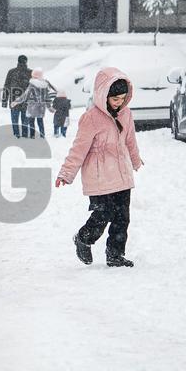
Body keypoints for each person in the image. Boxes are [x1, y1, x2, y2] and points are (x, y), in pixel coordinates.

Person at [55, 68, 143, 268]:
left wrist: (136, 161)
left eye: (122, 98)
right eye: (114, 99)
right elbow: (78, 149)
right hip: (99, 177)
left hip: (121, 175)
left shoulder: (126, 114)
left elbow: (130, 141)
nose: (119, 102)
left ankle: (115, 254)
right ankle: (84, 238)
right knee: (103, 215)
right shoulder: (91, 118)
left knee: (122, 218)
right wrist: (66, 174)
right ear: (103, 95)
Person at [9, 68, 54, 139]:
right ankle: (42, 135)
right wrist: (49, 107)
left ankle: (32, 135)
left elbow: (25, 96)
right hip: (41, 108)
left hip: (32, 107)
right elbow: (47, 98)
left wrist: (16, 102)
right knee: (40, 121)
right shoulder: (44, 86)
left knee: (31, 122)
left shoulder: (32, 85)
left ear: (34, 76)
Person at [1, 55, 32, 139]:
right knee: (25, 120)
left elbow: (6, 87)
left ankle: (16, 135)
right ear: (26, 62)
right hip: (26, 101)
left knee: (14, 120)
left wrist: (4, 101)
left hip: (14, 100)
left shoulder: (11, 72)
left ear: (18, 61)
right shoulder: (30, 72)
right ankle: (25, 135)